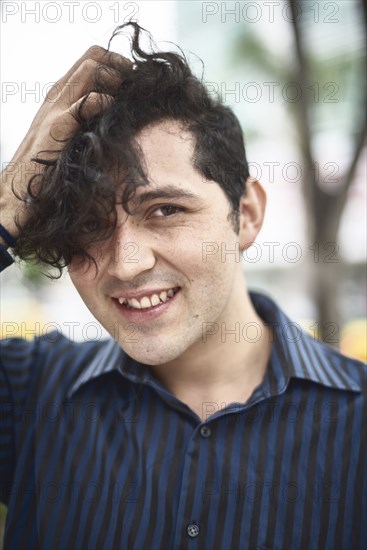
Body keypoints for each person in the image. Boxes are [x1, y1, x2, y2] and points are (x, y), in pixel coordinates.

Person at [0, 22, 365, 550]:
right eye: (89, 225)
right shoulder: (29, 396)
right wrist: (8, 206)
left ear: (245, 214)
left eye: (165, 210)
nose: (126, 263)